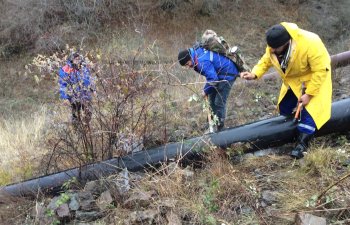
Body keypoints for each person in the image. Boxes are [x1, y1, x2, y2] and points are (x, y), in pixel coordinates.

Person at [240, 22, 332, 159]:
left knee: (310, 113)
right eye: (271, 48)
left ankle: (302, 145)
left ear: (286, 42)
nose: (272, 50)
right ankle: (289, 135)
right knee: (284, 108)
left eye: (275, 48)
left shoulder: (311, 42)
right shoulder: (274, 46)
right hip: (293, 81)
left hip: (314, 80)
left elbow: (321, 70)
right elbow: (266, 60)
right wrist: (254, 73)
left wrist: (309, 94)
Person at [178, 46, 239, 132]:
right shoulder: (196, 54)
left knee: (219, 101)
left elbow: (213, 79)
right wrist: (206, 90)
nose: (188, 67)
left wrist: (205, 90)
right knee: (211, 99)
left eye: (187, 64)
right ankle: (211, 123)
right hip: (218, 75)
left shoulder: (202, 61)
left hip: (227, 74)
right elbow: (212, 76)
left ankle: (220, 127)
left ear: (190, 58)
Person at [58, 52, 94, 126]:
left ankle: (86, 129)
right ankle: (77, 131)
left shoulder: (84, 68)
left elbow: (89, 79)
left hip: (86, 95)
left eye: (79, 58)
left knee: (88, 113)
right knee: (76, 114)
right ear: (72, 59)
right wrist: (64, 97)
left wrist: (93, 90)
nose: (77, 60)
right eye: (75, 58)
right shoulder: (66, 69)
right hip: (74, 96)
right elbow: (62, 84)